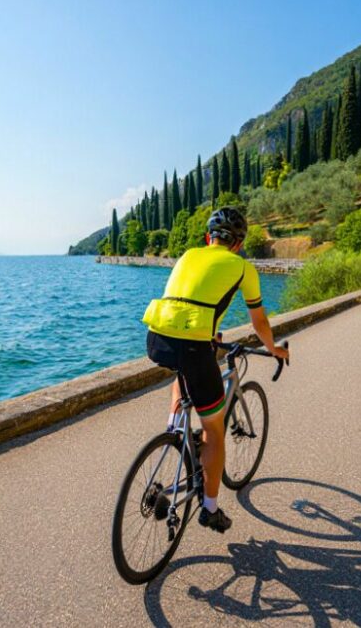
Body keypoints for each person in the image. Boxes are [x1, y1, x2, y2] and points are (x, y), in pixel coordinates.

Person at [142, 207, 290, 533]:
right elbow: (259, 321)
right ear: (237, 244)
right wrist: (274, 349)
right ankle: (210, 509)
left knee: (183, 373)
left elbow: (187, 304)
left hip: (157, 339)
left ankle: (175, 433)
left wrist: (213, 339)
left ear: (209, 237)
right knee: (214, 429)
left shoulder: (187, 255)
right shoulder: (242, 268)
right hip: (193, 346)